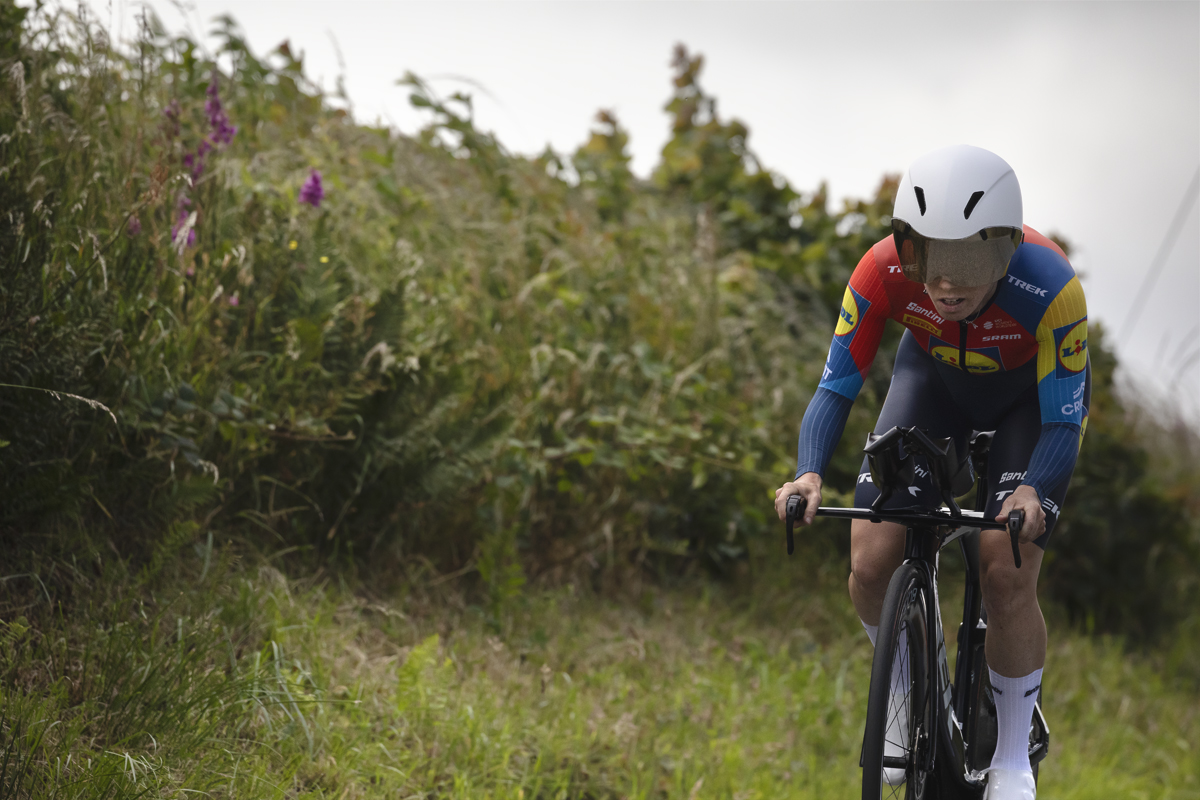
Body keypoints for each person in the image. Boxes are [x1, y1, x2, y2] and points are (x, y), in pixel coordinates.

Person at [774, 145, 1089, 800]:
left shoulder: (1052, 288)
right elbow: (836, 387)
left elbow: (1063, 422)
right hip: (933, 387)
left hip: (1025, 410)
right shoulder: (880, 271)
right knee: (870, 560)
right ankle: (903, 699)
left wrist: (1033, 491)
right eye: (926, 257)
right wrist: (807, 474)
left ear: (1003, 250)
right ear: (903, 247)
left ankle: (1010, 757)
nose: (945, 282)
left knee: (1006, 567)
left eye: (968, 260)